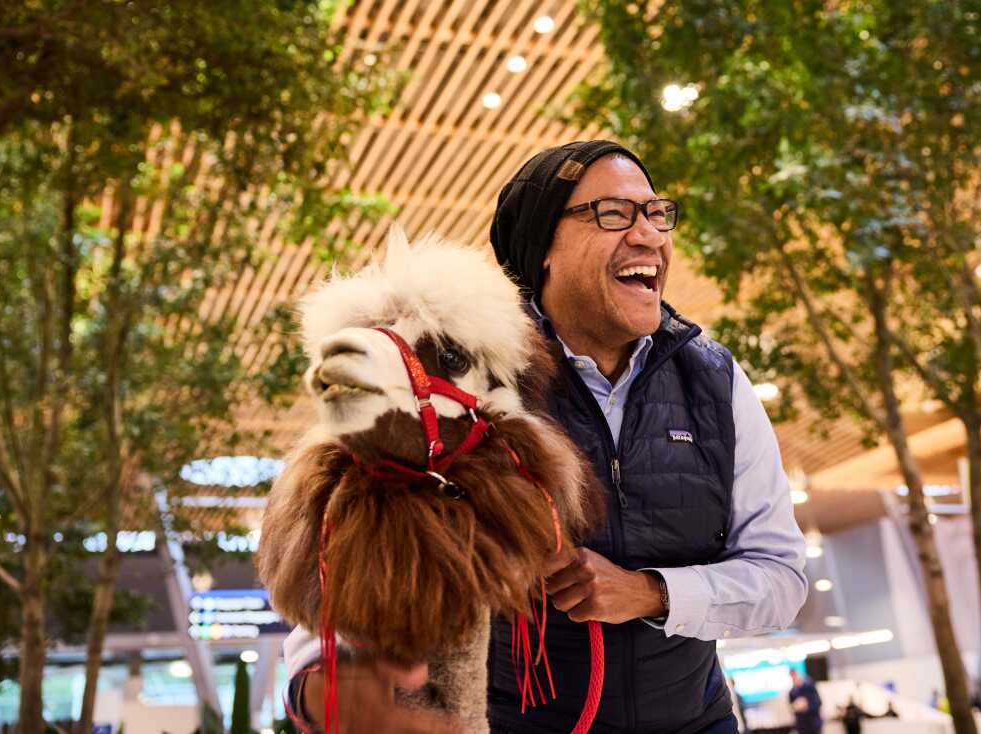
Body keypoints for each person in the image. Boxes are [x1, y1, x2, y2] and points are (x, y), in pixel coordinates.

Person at [281, 140, 808, 732]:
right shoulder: (472, 377)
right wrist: (327, 684)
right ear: (543, 249)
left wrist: (650, 593)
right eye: (613, 214)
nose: (649, 235)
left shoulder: (715, 378)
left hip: (697, 721)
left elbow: (780, 578)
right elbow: (357, 539)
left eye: (657, 213)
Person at [788, 669, 822, 734]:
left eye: (795, 675)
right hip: (801, 725)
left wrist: (806, 707)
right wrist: (795, 707)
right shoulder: (792, 692)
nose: (794, 678)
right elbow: (791, 707)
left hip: (813, 724)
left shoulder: (809, 687)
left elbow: (818, 703)